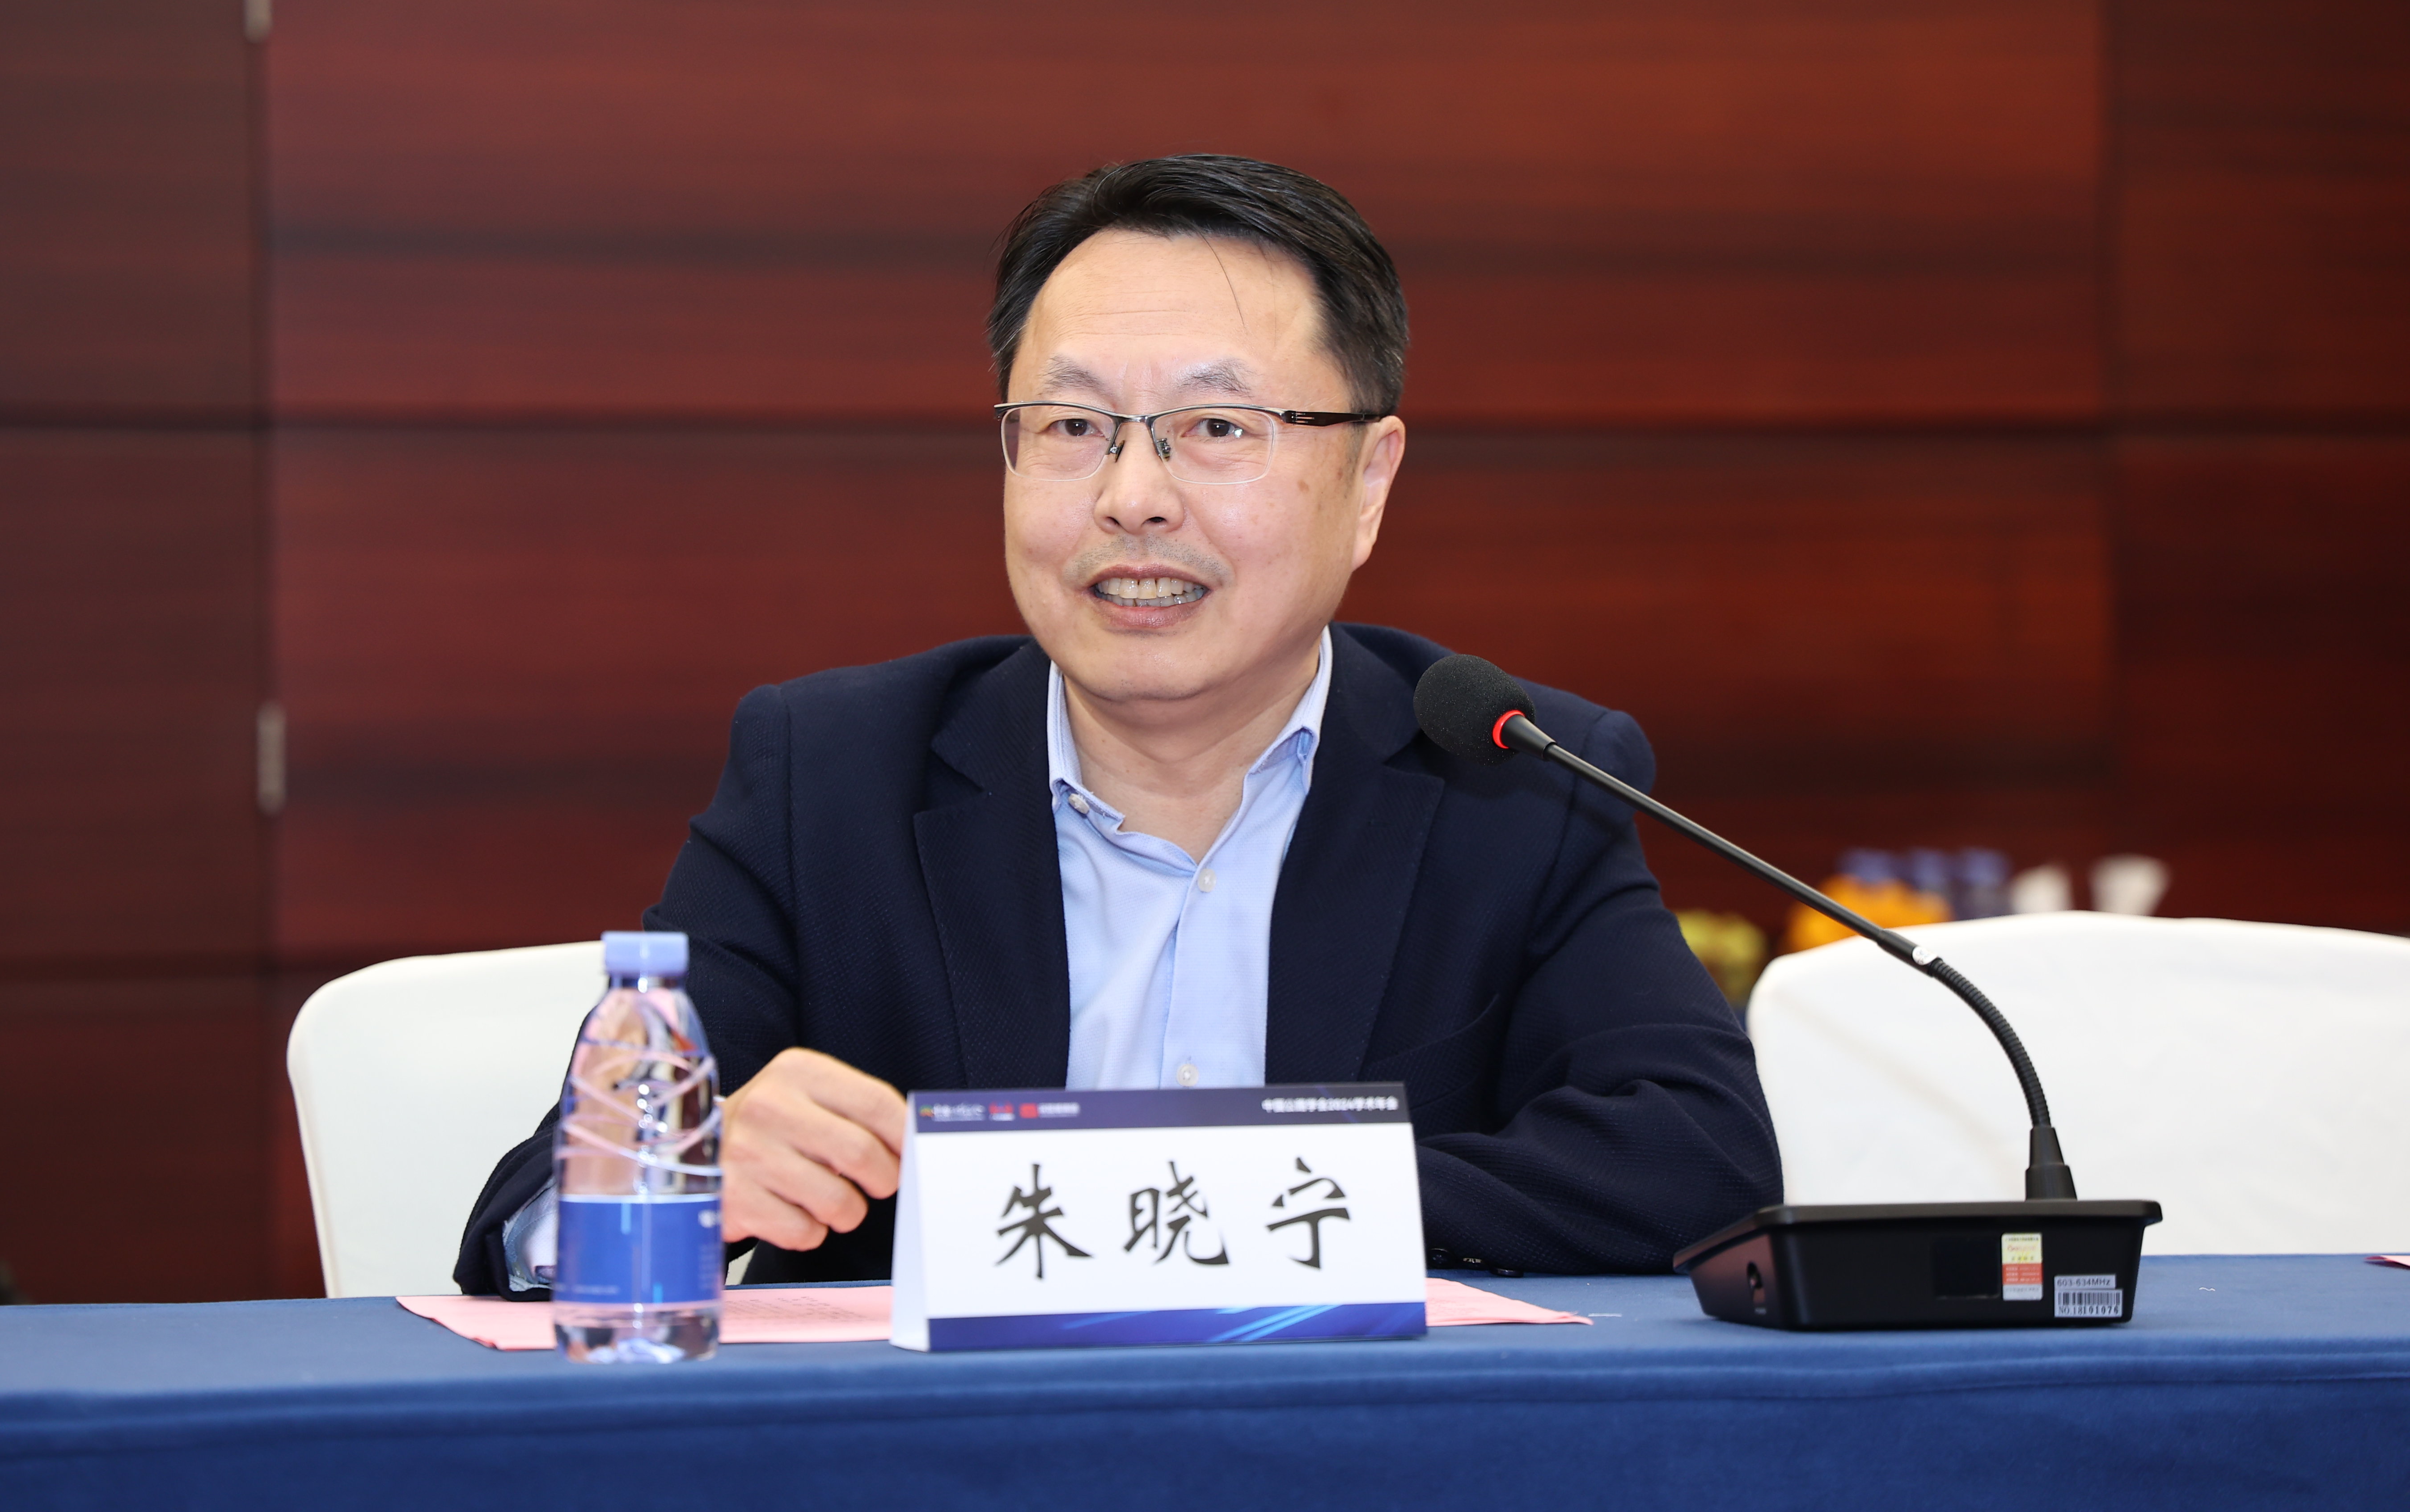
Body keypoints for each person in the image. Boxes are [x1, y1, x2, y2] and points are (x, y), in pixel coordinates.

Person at [455, 154, 1779, 1295]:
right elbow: (529, 1221)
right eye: (1075, 425)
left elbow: (1697, 1165)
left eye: (1217, 426)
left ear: (1369, 481)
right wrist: (676, 1173)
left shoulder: (1515, 777)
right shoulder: (829, 778)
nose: (1133, 495)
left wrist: (1182, 1205)